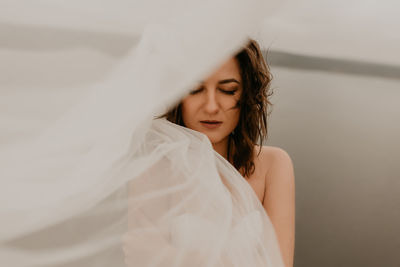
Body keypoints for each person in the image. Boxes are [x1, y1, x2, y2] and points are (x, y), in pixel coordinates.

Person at [161, 39, 295, 267]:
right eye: (195, 89)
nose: (211, 106)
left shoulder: (274, 165)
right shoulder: (157, 167)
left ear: (247, 97)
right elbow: (138, 255)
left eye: (228, 90)